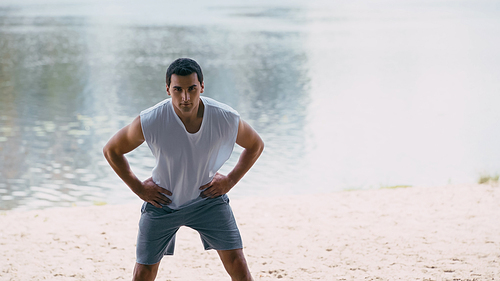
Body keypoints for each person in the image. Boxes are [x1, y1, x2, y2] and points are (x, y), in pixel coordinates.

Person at [103, 58, 264, 281]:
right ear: (168, 89)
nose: (185, 97)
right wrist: (139, 188)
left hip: (207, 200)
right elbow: (112, 150)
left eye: (192, 89)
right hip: (162, 204)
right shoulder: (151, 120)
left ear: (202, 87)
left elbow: (255, 145)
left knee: (237, 262)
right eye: (178, 89)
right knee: (143, 272)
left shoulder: (224, 117)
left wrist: (229, 181)